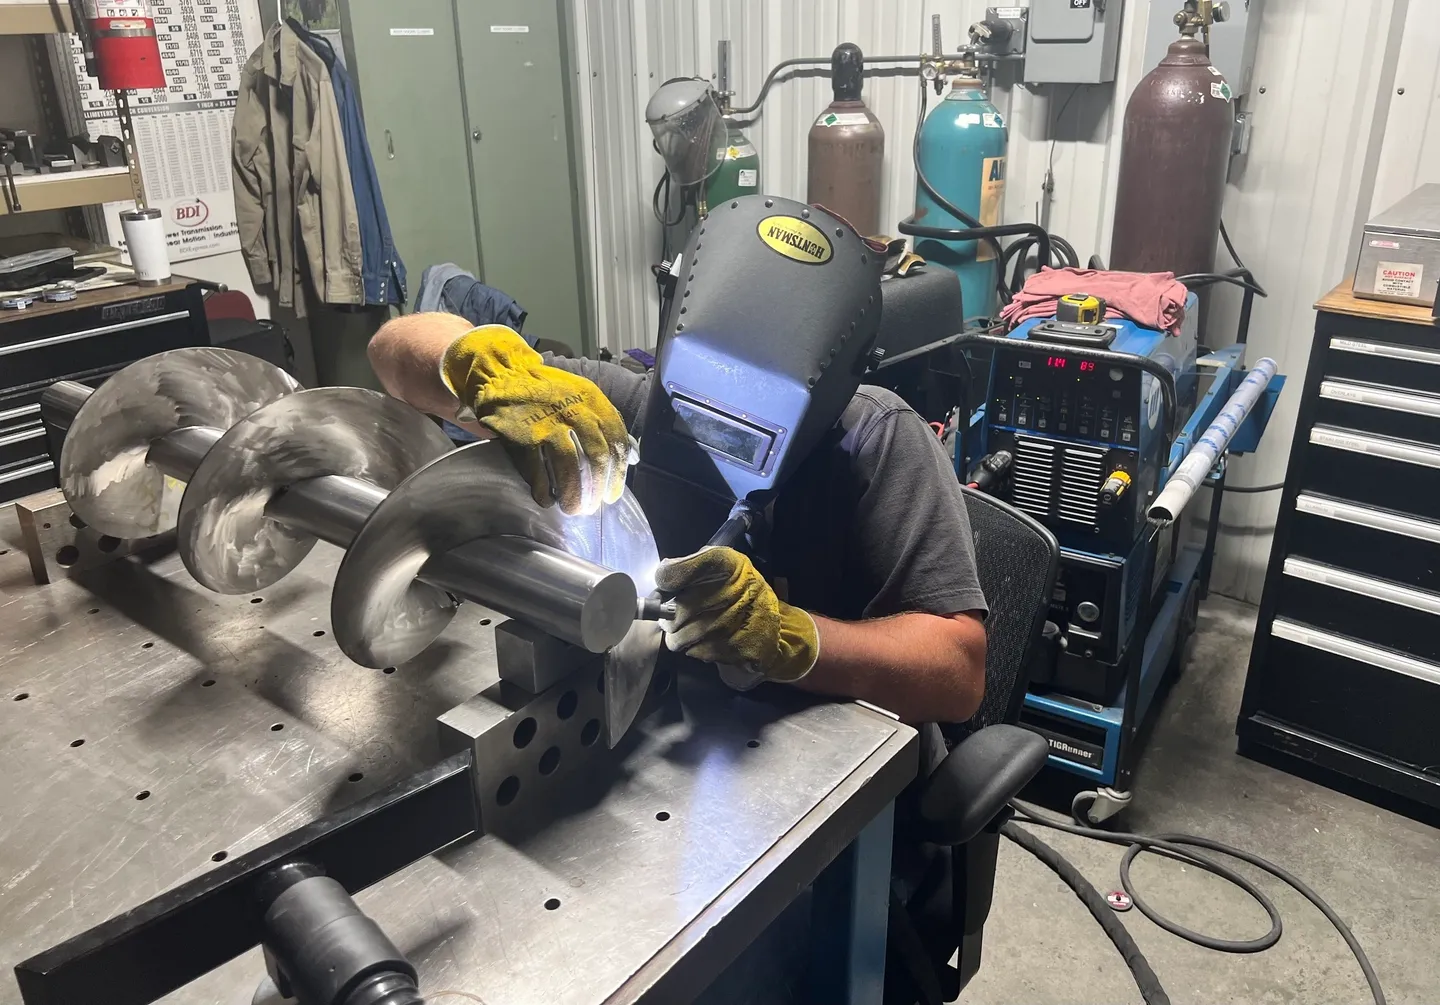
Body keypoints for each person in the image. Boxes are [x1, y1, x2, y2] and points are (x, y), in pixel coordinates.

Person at [368, 314, 987, 724]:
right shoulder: (626, 405)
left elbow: (959, 675)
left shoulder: (875, 437)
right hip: (660, 731)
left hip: (836, 772)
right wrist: (481, 363)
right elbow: (392, 352)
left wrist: (790, 639)